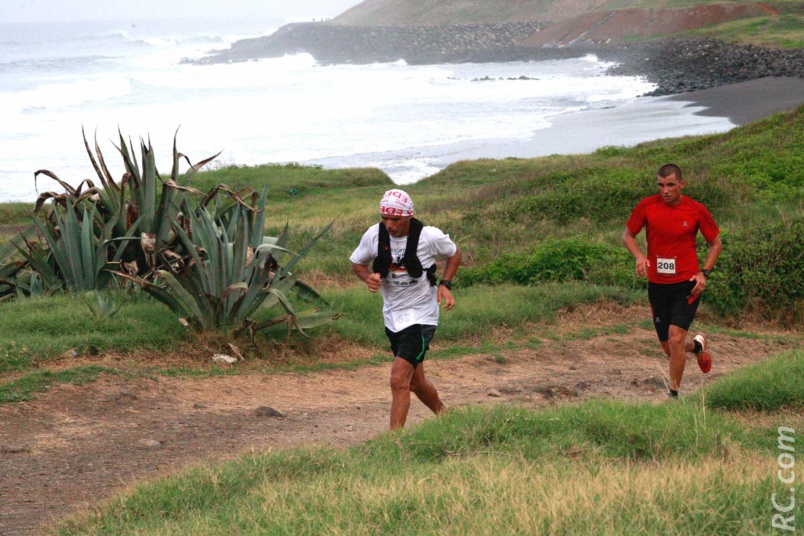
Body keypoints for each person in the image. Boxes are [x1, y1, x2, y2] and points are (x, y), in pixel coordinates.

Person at [351, 189, 462, 429]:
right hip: (393, 317)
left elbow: (454, 254)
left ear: (409, 216)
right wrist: (367, 277)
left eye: (395, 219)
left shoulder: (428, 236)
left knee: (399, 379)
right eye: (385, 218)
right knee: (416, 382)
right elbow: (357, 262)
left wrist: (445, 284)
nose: (389, 224)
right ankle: (448, 417)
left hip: (422, 317)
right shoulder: (374, 235)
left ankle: (394, 442)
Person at [622, 164, 723, 398]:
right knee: (670, 348)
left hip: (687, 283)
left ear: (681, 185)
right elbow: (627, 235)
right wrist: (639, 256)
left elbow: (716, 244)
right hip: (658, 285)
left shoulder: (696, 210)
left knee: (677, 338)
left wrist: (703, 273)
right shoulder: (647, 206)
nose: (664, 190)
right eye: (660, 185)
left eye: (670, 185)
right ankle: (697, 346)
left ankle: (673, 395)